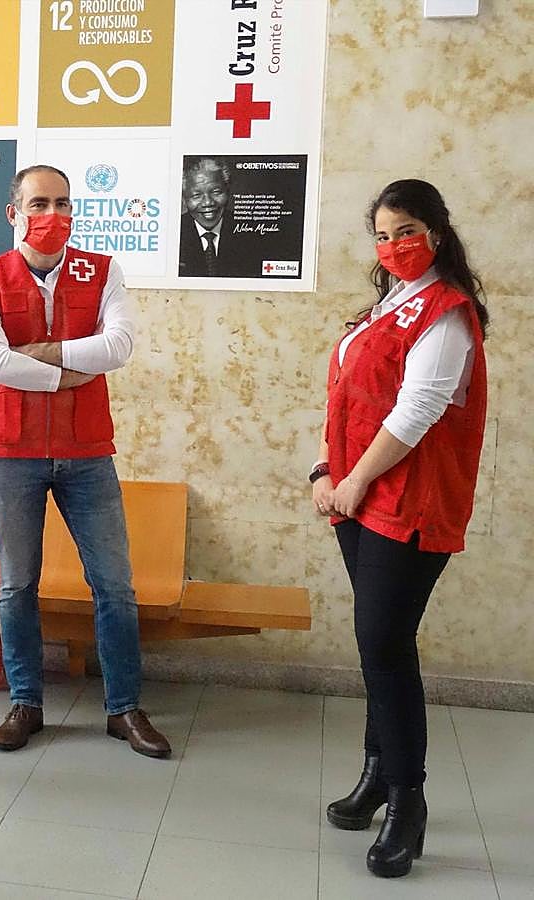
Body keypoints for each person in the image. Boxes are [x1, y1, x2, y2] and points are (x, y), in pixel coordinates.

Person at [0, 164, 171, 759]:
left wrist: (42, 355)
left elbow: (119, 346)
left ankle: (124, 708)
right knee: (16, 586)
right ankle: (25, 703)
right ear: (14, 213)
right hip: (10, 452)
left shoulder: (103, 271)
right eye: (38, 204)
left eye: (61, 203)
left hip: (86, 451)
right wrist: (69, 373)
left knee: (114, 586)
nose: (51, 215)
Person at [314, 179, 488, 878]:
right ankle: (377, 776)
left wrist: (354, 481)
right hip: (358, 495)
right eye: (383, 236)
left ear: (437, 232)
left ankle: (407, 803)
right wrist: (325, 468)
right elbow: (346, 396)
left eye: (406, 231)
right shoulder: (386, 305)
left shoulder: (446, 311)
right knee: (376, 641)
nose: (393, 246)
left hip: (408, 499)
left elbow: (418, 409)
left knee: (386, 645)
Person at [177, 157, 256, 277]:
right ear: (184, 199)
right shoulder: (173, 233)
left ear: (227, 191)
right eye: (196, 195)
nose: (208, 202)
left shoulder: (250, 233)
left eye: (216, 192)